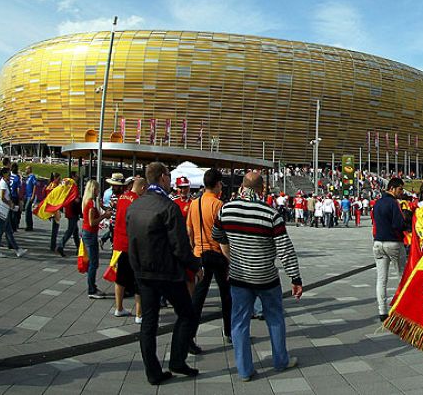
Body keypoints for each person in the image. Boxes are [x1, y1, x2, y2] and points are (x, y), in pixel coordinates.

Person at [212, 172, 302, 381]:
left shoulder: (226, 210)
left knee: (239, 322)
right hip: (265, 276)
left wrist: (232, 253)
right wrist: (295, 278)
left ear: (242, 186)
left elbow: (216, 235)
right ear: (262, 189)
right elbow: (285, 249)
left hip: (239, 275)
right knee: (275, 317)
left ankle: (244, 369)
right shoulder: (270, 213)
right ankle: (280, 360)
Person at [126, 162, 201, 385]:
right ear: (162, 177)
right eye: (168, 175)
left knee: (149, 322)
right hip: (166, 272)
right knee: (187, 314)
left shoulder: (135, 205)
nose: (170, 179)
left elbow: (132, 239)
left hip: (143, 271)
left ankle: (153, 371)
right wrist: (196, 266)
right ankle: (177, 360)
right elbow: (180, 246)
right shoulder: (168, 207)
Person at [188, 168, 232, 346]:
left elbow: (189, 230)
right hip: (217, 254)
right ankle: (229, 331)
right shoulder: (218, 205)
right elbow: (223, 235)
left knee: (198, 298)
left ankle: (189, 336)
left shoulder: (194, 203)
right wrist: (230, 259)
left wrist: (194, 248)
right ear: (218, 184)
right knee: (226, 295)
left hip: (200, 254)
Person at [370, 177, 407, 322]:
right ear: (392, 188)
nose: (401, 192)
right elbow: (398, 224)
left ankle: (382, 311)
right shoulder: (393, 203)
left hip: (378, 243)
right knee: (402, 276)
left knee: (381, 279)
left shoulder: (377, 203)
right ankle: (402, 309)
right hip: (393, 243)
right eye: (400, 189)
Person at [112, 176, 146, 321]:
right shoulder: (138, 201)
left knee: (120, 278)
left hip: (119, 244)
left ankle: (119, 308)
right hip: (133, 245)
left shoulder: (122, 197)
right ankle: (139, 314)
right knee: (139, 279)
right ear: (142, 188)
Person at [81, 180, 111, 299]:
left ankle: (92, 286)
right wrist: (104, 216)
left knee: (93, 262)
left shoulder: (89, 201)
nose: (99, 191)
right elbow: (92, 222)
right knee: (93, 263)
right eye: (98, 189)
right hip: (90, 233)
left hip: (88, 233)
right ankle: (91, 289)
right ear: (94, 189)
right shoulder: (90, 204)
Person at [0, 167, 26, 258]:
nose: (10, 175)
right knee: (0, 231)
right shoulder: (3, 183)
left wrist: (10, 204)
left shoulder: (4, 182)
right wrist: (10, 204)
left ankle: (17, 250)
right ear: (4, 174)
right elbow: (2, 197)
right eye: (8, 173)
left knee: (8, 231)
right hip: (2, 210)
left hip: (4, 210)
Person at [56, 172, 81, 257]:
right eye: (77, 176)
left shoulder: (67, 186)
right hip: (73, 211)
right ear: (73, 177)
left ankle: (79, 247)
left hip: (69, 210)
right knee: (71, 230)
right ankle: (61, 245)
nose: (78, 178)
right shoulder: (73, 186)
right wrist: (79, 200)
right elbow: (76, 199)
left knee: (75, 230)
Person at [22, 166, 37, 231]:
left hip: (30, 195)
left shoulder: (32, 176)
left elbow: (35, 185)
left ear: (29, 169)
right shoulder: (28, 177)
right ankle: (29, 224)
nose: (25, 170)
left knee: (27, 209)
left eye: (26, 169)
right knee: (28, 210)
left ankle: (29, 225)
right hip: (27, 195)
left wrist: (33, 195)